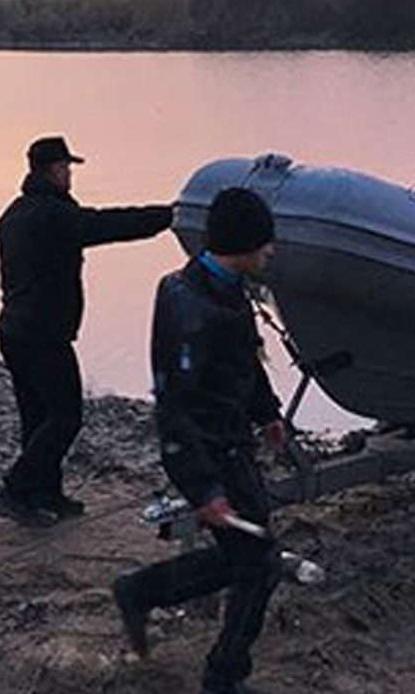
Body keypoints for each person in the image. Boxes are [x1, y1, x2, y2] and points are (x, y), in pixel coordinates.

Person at [112, 187, 286, 694]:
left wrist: (267, 412)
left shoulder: (227, 289)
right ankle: (223, 677)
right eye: (265, 242)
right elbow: (175, 407)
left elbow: (245, 360)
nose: (272, 251)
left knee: (251, 557)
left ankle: (140, 592)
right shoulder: (188, 307)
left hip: (233, 442)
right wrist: (204, 488)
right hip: (207, 452)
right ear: (245, 244)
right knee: (260, 561)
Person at [0, 136, 173, 527]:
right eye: (67, 168)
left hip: (14, 332)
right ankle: (15, 490)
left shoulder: (13, 214)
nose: (70, 174)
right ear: (54, 170)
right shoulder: (54, 216)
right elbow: (108, 224)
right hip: (42, 335)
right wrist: (168, 216)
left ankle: (45, 494)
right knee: (65, 417)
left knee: (37, 419)